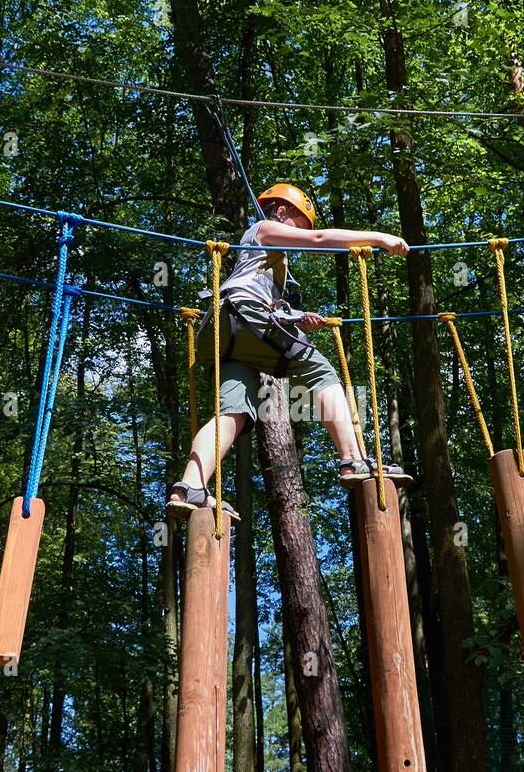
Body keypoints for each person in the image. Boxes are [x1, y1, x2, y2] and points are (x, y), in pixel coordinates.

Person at [167, 182, 411, 520]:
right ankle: (353, 458)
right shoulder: (265, 229)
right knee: (320, 369)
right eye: (299, 222)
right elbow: (321, 240)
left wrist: (298, 318)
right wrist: (378, 238)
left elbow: (268, 303)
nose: (300, 234)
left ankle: (190, 485)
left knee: (235, 412)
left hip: (223, 334)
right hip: (242, 316)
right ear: (282, 212)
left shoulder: (269, 261)